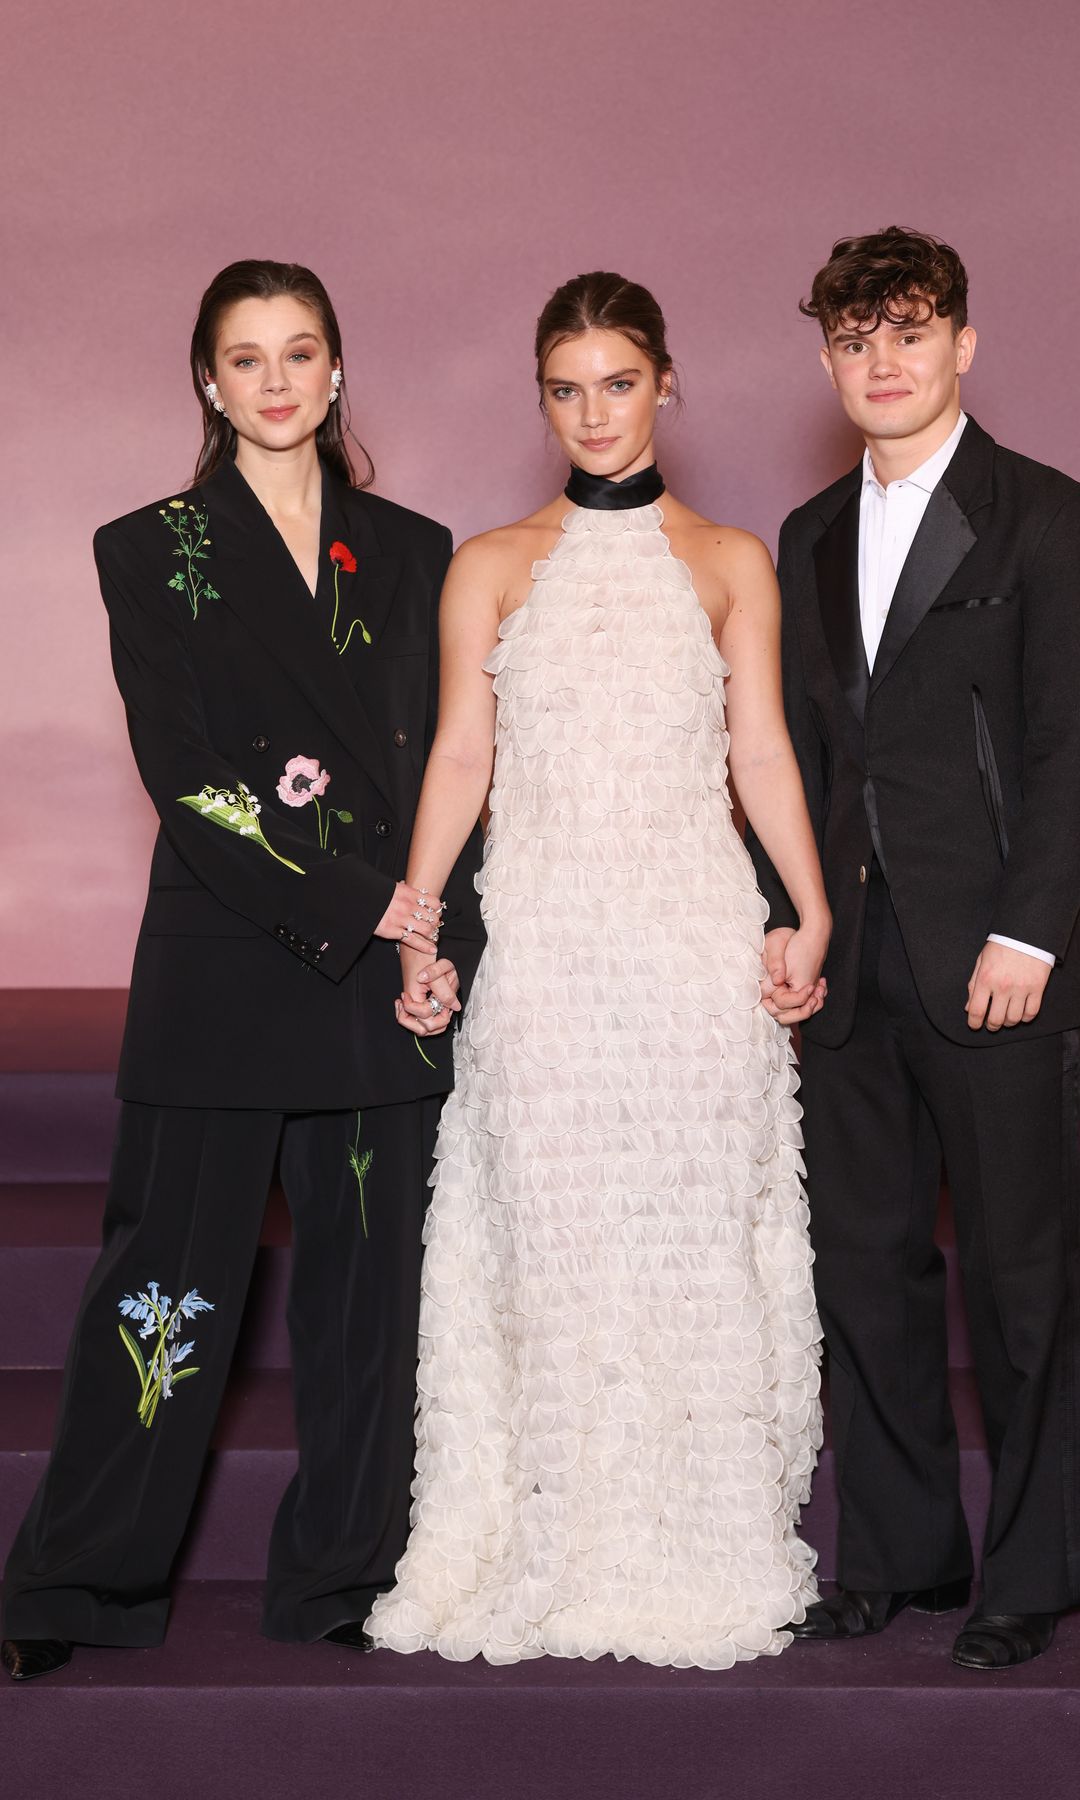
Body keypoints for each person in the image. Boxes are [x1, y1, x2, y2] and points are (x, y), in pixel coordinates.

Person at [1, 259, 483, 1681]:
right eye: (246, 358)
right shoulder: (146, 548)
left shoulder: (415, 549)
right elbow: (193, 779)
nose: (277, 380)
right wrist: (372, 906)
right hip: (233, 958)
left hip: (381, 975)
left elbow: (451, 762)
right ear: (210, 383)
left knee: (365, 1299)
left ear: (339, 371)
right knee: (165, 1296)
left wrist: (434, 940)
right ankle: (78, 1582)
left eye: (302, 352)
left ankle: (344, 1571)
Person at [366, 271, 831, 1669]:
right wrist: (422, 917)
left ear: (666, 383)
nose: (593, 413)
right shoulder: (491, 565)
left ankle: (698, 1543)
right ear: (542, 398)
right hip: (555, 959)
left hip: (691, 956)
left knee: (690, 1247)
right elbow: (462, 753)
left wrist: (805, 911)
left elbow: (759, 753)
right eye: (566, 389)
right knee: (556, 1244)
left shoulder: (732, 560)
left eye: (618, 383)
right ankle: (557, 1539)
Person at [748, 227, 1080, 1670]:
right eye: (854, 338)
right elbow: (800, 755)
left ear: (962, 345)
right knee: (866, 1272)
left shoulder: (1046, 521)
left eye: (909, 331)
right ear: (828, 360)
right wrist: (792, 910)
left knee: (1022, 1280)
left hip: (999, 966)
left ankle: (1034, 1569)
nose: (881, 360)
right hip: (853, 965)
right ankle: (901, 1554)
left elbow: (1073, 752)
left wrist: (1031, 934)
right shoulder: (808, 535)